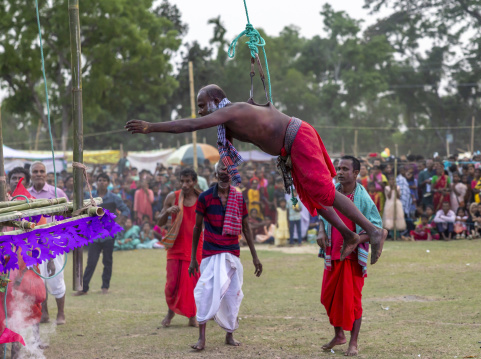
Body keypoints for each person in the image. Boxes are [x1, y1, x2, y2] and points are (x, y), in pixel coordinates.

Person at [126, 84, 388, 264]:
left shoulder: (232, 110)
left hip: (297, 137)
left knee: (325, 193)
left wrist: (151, 127)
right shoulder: (231, 117)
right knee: (313, 198)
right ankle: (350, 235)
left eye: (203, 105)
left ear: (217, 102)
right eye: (200, 107)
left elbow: (191, 125)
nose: (201, 112)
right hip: (289, 147)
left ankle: (372, 231)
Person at [188, 161, 262, 351]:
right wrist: (193, 258)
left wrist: (255, 257)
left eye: (228, 171)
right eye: (221, 170)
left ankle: (230, 333)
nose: (224, 173)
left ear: (232, 175)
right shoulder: (204, 197)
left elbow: (246, 227)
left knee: (232, 295)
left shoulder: (238, 197)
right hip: (210, 253)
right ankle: (201, 338)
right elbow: (197, 227)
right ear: (215, 174)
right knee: (205, 292)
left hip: (232, 252)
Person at [317, 156, 382, 356]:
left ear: (356, 173)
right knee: (328, 297)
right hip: (332, 253)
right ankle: (338, 335)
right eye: (338, 168)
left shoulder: (363, 197)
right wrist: (320, 231)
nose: (340, 172)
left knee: (353, 301)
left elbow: (375, 228)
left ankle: (353, 343)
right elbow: (322, 213)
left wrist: (356, 241)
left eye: (345, 169)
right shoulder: (331, 192)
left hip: (351, 258)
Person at [158, 168, 203, 328]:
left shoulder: (202, 197)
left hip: (195, 247)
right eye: (182, 181)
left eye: (188, 181)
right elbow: (159, 222)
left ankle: (192, 315)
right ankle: (170, 312)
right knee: (172, 284)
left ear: (194, 182)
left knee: (192, 283)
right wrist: (168, 212)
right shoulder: (173, 197)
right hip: (175, 246)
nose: (185, 184)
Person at [74, 173, 130, 296]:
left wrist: (120, 221)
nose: (102, 182)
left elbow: (126, 210)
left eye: (104, 180)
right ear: (96, 182)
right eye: (99, 180)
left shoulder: (114, 198)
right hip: (94, 235)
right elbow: (83, 212)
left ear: (108, 183)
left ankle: (105, 287)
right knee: (91, 262)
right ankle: (84, 288)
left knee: (107, 261)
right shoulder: (91, 197)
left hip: (109, 234)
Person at [28, 162, 68, 325]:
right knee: (38, 280)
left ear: (46, 174)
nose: (38, 174)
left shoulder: (57, 193)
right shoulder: (26, 195)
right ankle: (44, 313)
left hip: (53, 243)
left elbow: (67, 217)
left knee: (56, 278)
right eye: (35, 171)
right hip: (33, 245)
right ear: (31, 174)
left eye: (41, 171)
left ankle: (61, 313)